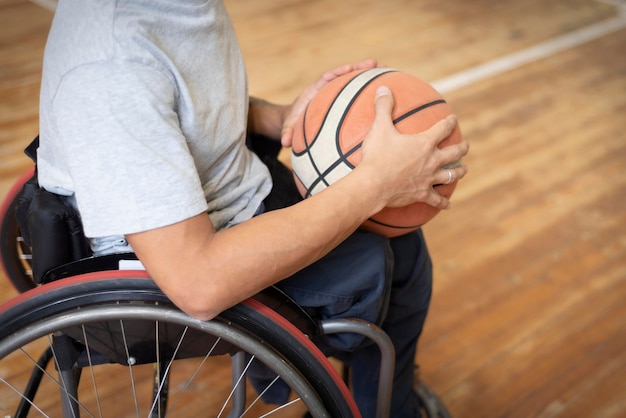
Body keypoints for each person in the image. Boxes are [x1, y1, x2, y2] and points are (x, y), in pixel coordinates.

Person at [36, 1, 469, 417]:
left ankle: (376, 398)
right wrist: (374, 184)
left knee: (401, 240)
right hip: (177, 268)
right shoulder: (111, 69)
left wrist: (284, 119)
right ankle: (354, 393)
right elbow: (197, 283)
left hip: (232, 195)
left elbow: (178, 101)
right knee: (377, 259)